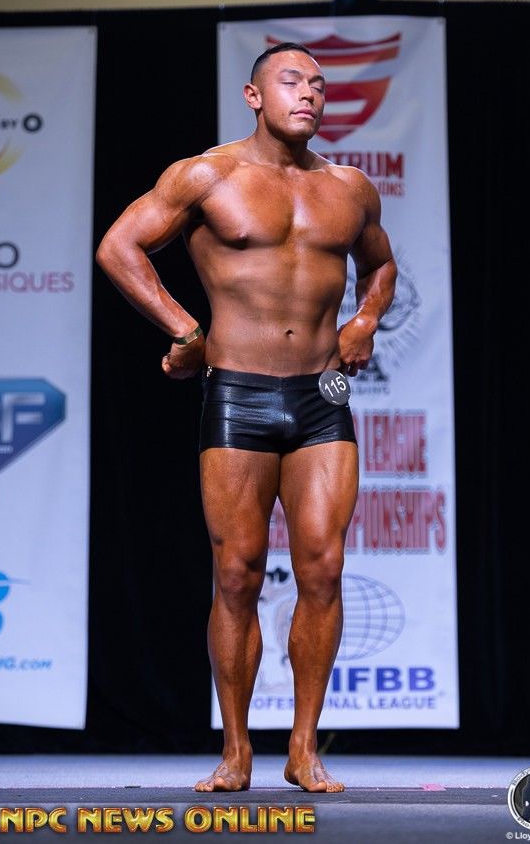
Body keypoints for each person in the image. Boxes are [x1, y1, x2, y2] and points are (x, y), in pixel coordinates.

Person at [96, 42, 397, 793]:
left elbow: (381, 264)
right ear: (254, 95)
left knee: (324, 567)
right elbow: (119, 247)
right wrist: (185, 330)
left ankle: (303, 747)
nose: (310, 94)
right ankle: (236, 751)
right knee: (237, 573)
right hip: (238, 393)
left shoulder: (350, 188)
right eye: (292, 81)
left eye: (319, 84)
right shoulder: (207, 175)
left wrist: (364, 320)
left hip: (323, 396)